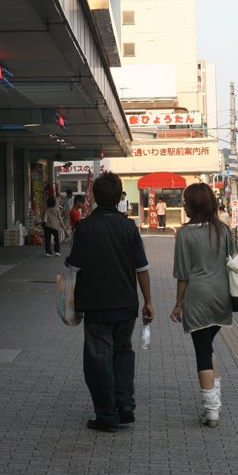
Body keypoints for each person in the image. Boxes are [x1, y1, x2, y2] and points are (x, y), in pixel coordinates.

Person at [65, 172, 154, 433]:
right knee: (123, 353)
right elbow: (142, 268)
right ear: (118, 198)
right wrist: (148, 302)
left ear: (94, 197)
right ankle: (125, 405)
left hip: (96, 306)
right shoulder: (129, 227)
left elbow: (74, 266)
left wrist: (69, 301)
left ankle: (106, 414)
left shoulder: (85, 227)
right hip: (126, 305)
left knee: (98, 360)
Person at [170, 182, 232, 428]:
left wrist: (178, 304)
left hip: (197, 298)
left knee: (202, 351)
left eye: (186, 202)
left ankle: (211, 410)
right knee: (208, 345)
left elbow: (183, 274)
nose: (184, 205)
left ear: (195, 205)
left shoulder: (185, 234)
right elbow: (232, 262)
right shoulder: (223, 230)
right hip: (222, 297)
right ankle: (215, 400)